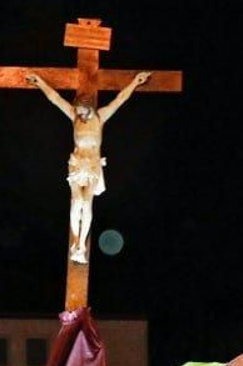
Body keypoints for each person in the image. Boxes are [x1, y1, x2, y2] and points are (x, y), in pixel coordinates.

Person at [24, 69, 152, 262]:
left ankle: (82, 245)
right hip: (76, 164)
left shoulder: (100, 117)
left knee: (86, 202)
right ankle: (75, 241)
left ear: (89, 107)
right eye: (77, 112)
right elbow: (55, 99)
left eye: (82, 112)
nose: (79, 115)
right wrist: (40, 81)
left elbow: (119, 100)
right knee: (76, 202)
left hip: (92, 166)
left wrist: (135, 82)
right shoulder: (75, 117)